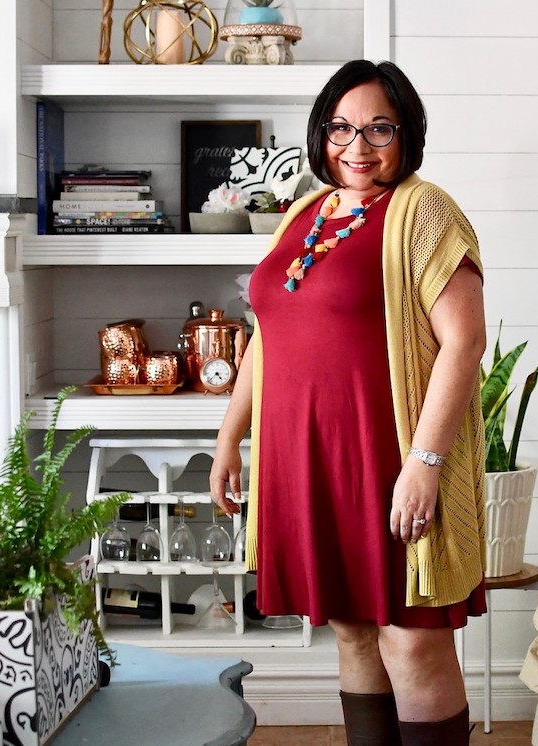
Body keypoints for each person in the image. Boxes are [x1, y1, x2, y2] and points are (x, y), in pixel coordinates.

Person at [209, 59, 488, 745]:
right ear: (320, 133)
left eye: (377, 128)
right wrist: (228, 438)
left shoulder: (422, 209)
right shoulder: (306, 211)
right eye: (341, 127)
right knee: (353, 631)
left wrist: (424, 463)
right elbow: (264, 336)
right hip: (307, 458)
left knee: (412, 639)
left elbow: (464, 342)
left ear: (406, 134)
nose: (356, 147)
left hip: (388, 459)